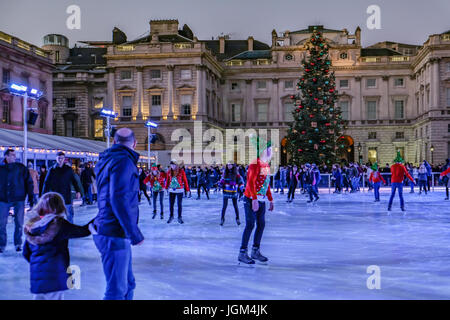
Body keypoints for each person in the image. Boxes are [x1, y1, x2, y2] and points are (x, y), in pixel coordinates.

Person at [91, 128, 145, 300]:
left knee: (128, 284)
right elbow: (118, 198)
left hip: (113, 230)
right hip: (114, 232)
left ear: (114, 142)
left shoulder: (107, 160)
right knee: (117, 289)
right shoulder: (124, 162)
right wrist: (134, 233)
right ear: (135, 144)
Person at [22, 192, 91, 300]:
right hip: (56, 276)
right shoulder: (59, 224)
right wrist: (99, 219)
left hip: (38, 278)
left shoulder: (32, 227)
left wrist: (39, 265)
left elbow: (26, 253)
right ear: (59, 207)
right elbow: (82, 231)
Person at [238, 136, 274, 265]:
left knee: (261, 224)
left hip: (261, 200)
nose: (271, 152)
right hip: (251, 199)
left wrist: (270, 199)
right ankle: (242, 252)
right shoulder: (255, 163)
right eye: (269, 149)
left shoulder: (265, 165)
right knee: (250, 224)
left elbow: (266, 183)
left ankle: (255, 251)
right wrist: (253, 199)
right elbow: (251, 183)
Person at [0, 149, 34, 253]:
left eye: (15, 155)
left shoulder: (20, 168)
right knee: (1, 223)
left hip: (19, 198)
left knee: (19, 223)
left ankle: (18, 243)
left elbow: (29, 182)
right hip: (3, 199)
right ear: (6, 156)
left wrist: (31, 197)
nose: (14, 157)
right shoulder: (1, 169)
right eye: (12, 155)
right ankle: (1, 245)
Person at [42, 152, 81, 223]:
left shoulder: (68, 169)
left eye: (62, 158)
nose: (60, 160)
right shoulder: (52, 170)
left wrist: (78, 191)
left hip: (66, 196)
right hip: (56, 197)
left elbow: (74, 181)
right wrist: (44, 195)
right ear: (56, 159)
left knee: (69, 215)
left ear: (64, 159)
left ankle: (69, 230)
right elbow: (46, 183)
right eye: (59, 158)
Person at [165, 160, 190, 224]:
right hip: (171, 190)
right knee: (171, 204)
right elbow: (167, 180)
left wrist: (187, 190)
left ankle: (179, 217)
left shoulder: (181, 171)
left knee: (179, 204)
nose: (172, 166)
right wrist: (166, 188)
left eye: (173, 165)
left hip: (180, 190)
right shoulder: (169, 172)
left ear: (176, 165)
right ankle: (171, 216)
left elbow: (185, 180)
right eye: (171, 165)